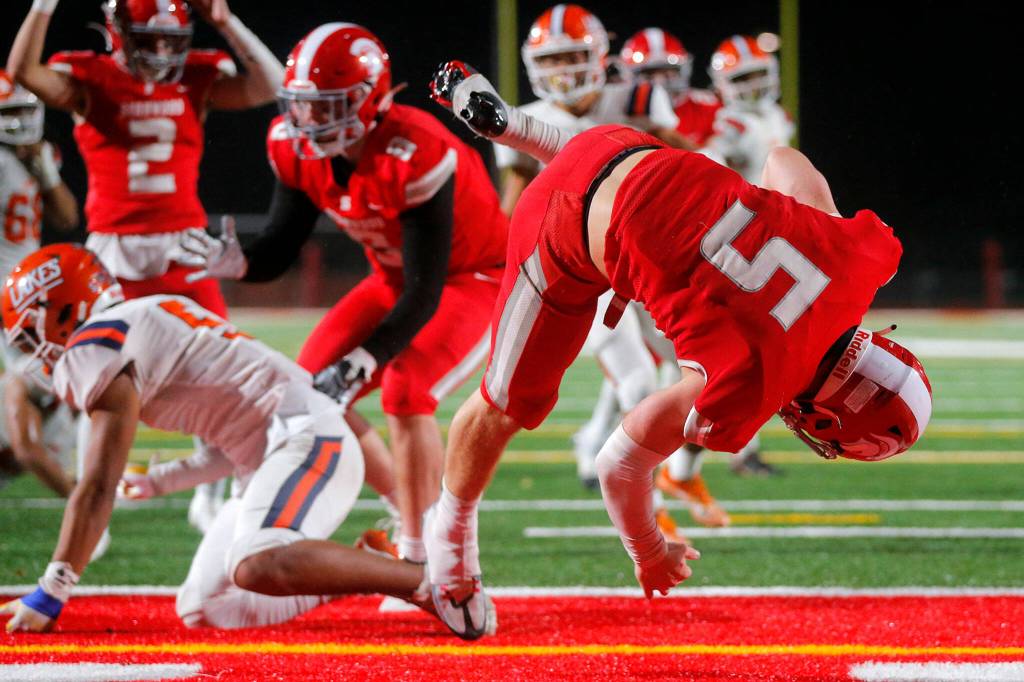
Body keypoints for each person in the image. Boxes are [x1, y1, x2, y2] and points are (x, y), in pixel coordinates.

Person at [421, 63, 932, 639]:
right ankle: (449, 547)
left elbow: (783, 162)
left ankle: (527, 132)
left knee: (648, 179)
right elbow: (620, 463)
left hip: (627, 147)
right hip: (560, 223)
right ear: (825, 416)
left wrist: (791, 227)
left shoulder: (862, 262)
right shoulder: (746, 391)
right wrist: (648, 549)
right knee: (508, 403)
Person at [178, 23, 508, 565]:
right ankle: (408, 508)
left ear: (370, 98)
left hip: (475, 279)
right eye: (305, 105)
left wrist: (362, 360)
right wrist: (240, 262)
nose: (312, 120)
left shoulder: (416, 150)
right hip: (394, 281)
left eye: (329, 106)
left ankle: (424, 555)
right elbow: (282, 243)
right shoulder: (294, 148)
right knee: (305, 390)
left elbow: (425, 291)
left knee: (406, 390)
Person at [0, 244, 447, 635]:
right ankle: (370, 565)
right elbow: (228, 439)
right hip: (274, 454)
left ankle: (429, 583)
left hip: (307, 440)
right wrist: (159, 481)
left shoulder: (98, 343)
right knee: (206, 606)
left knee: (255, 559)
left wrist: (50, 592)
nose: (33, 352)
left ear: (64, 312)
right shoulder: (138, 319)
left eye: (30, 333)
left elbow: (96, 486)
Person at [7, 0, 286, 533]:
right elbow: (23, 71)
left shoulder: (196, 77)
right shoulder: (90, 78)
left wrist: (226, 19)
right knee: (99, 377)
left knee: (224, 373)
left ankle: (210, 494)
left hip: (182, 248)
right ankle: (94, 495)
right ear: (117, 33)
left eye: (170, 40)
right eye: (148, 39)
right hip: (112, 253)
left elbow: (272, 85)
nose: (161, 52)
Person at [704, 35, 795, 185]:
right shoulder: (729, 122)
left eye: (759, 74)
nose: (754, 84)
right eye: (743, 78)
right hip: (750, 203)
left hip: (784, 199)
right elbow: (711, 164)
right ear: (722, 83)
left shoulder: (778, 114)